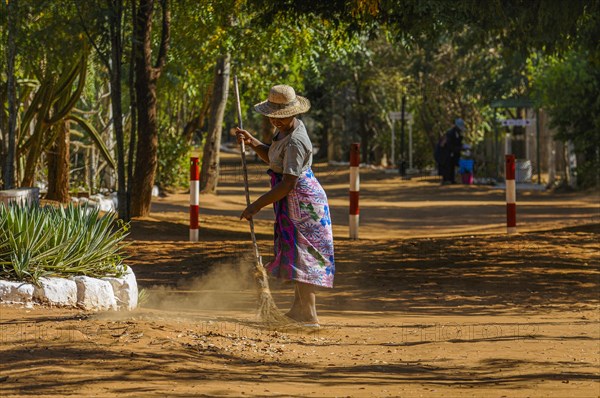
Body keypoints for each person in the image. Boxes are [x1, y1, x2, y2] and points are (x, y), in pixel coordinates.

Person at [236, 84, 335, 328]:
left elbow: (288, 183)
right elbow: (275, 159)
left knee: (304, 255)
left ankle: (309, 314)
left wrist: (256, 206)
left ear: (294, 113)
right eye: (273, 116)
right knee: (293, 252)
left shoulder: (296, 141)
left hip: (303, 203)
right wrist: (253, 143)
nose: (276, 121)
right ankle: (298, 309)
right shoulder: (284, 132)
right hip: (291, 199)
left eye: (281, 117)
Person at [439, 118, 466, 184]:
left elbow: (458, 143)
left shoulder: (458, 134)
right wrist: (460, 148)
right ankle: (446, 180)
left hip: (452, 152)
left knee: (452, 164)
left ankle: (451, 179)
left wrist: (462, 147)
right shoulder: (450, 134)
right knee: (447, 164)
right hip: (445, 152)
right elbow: (450, 146)